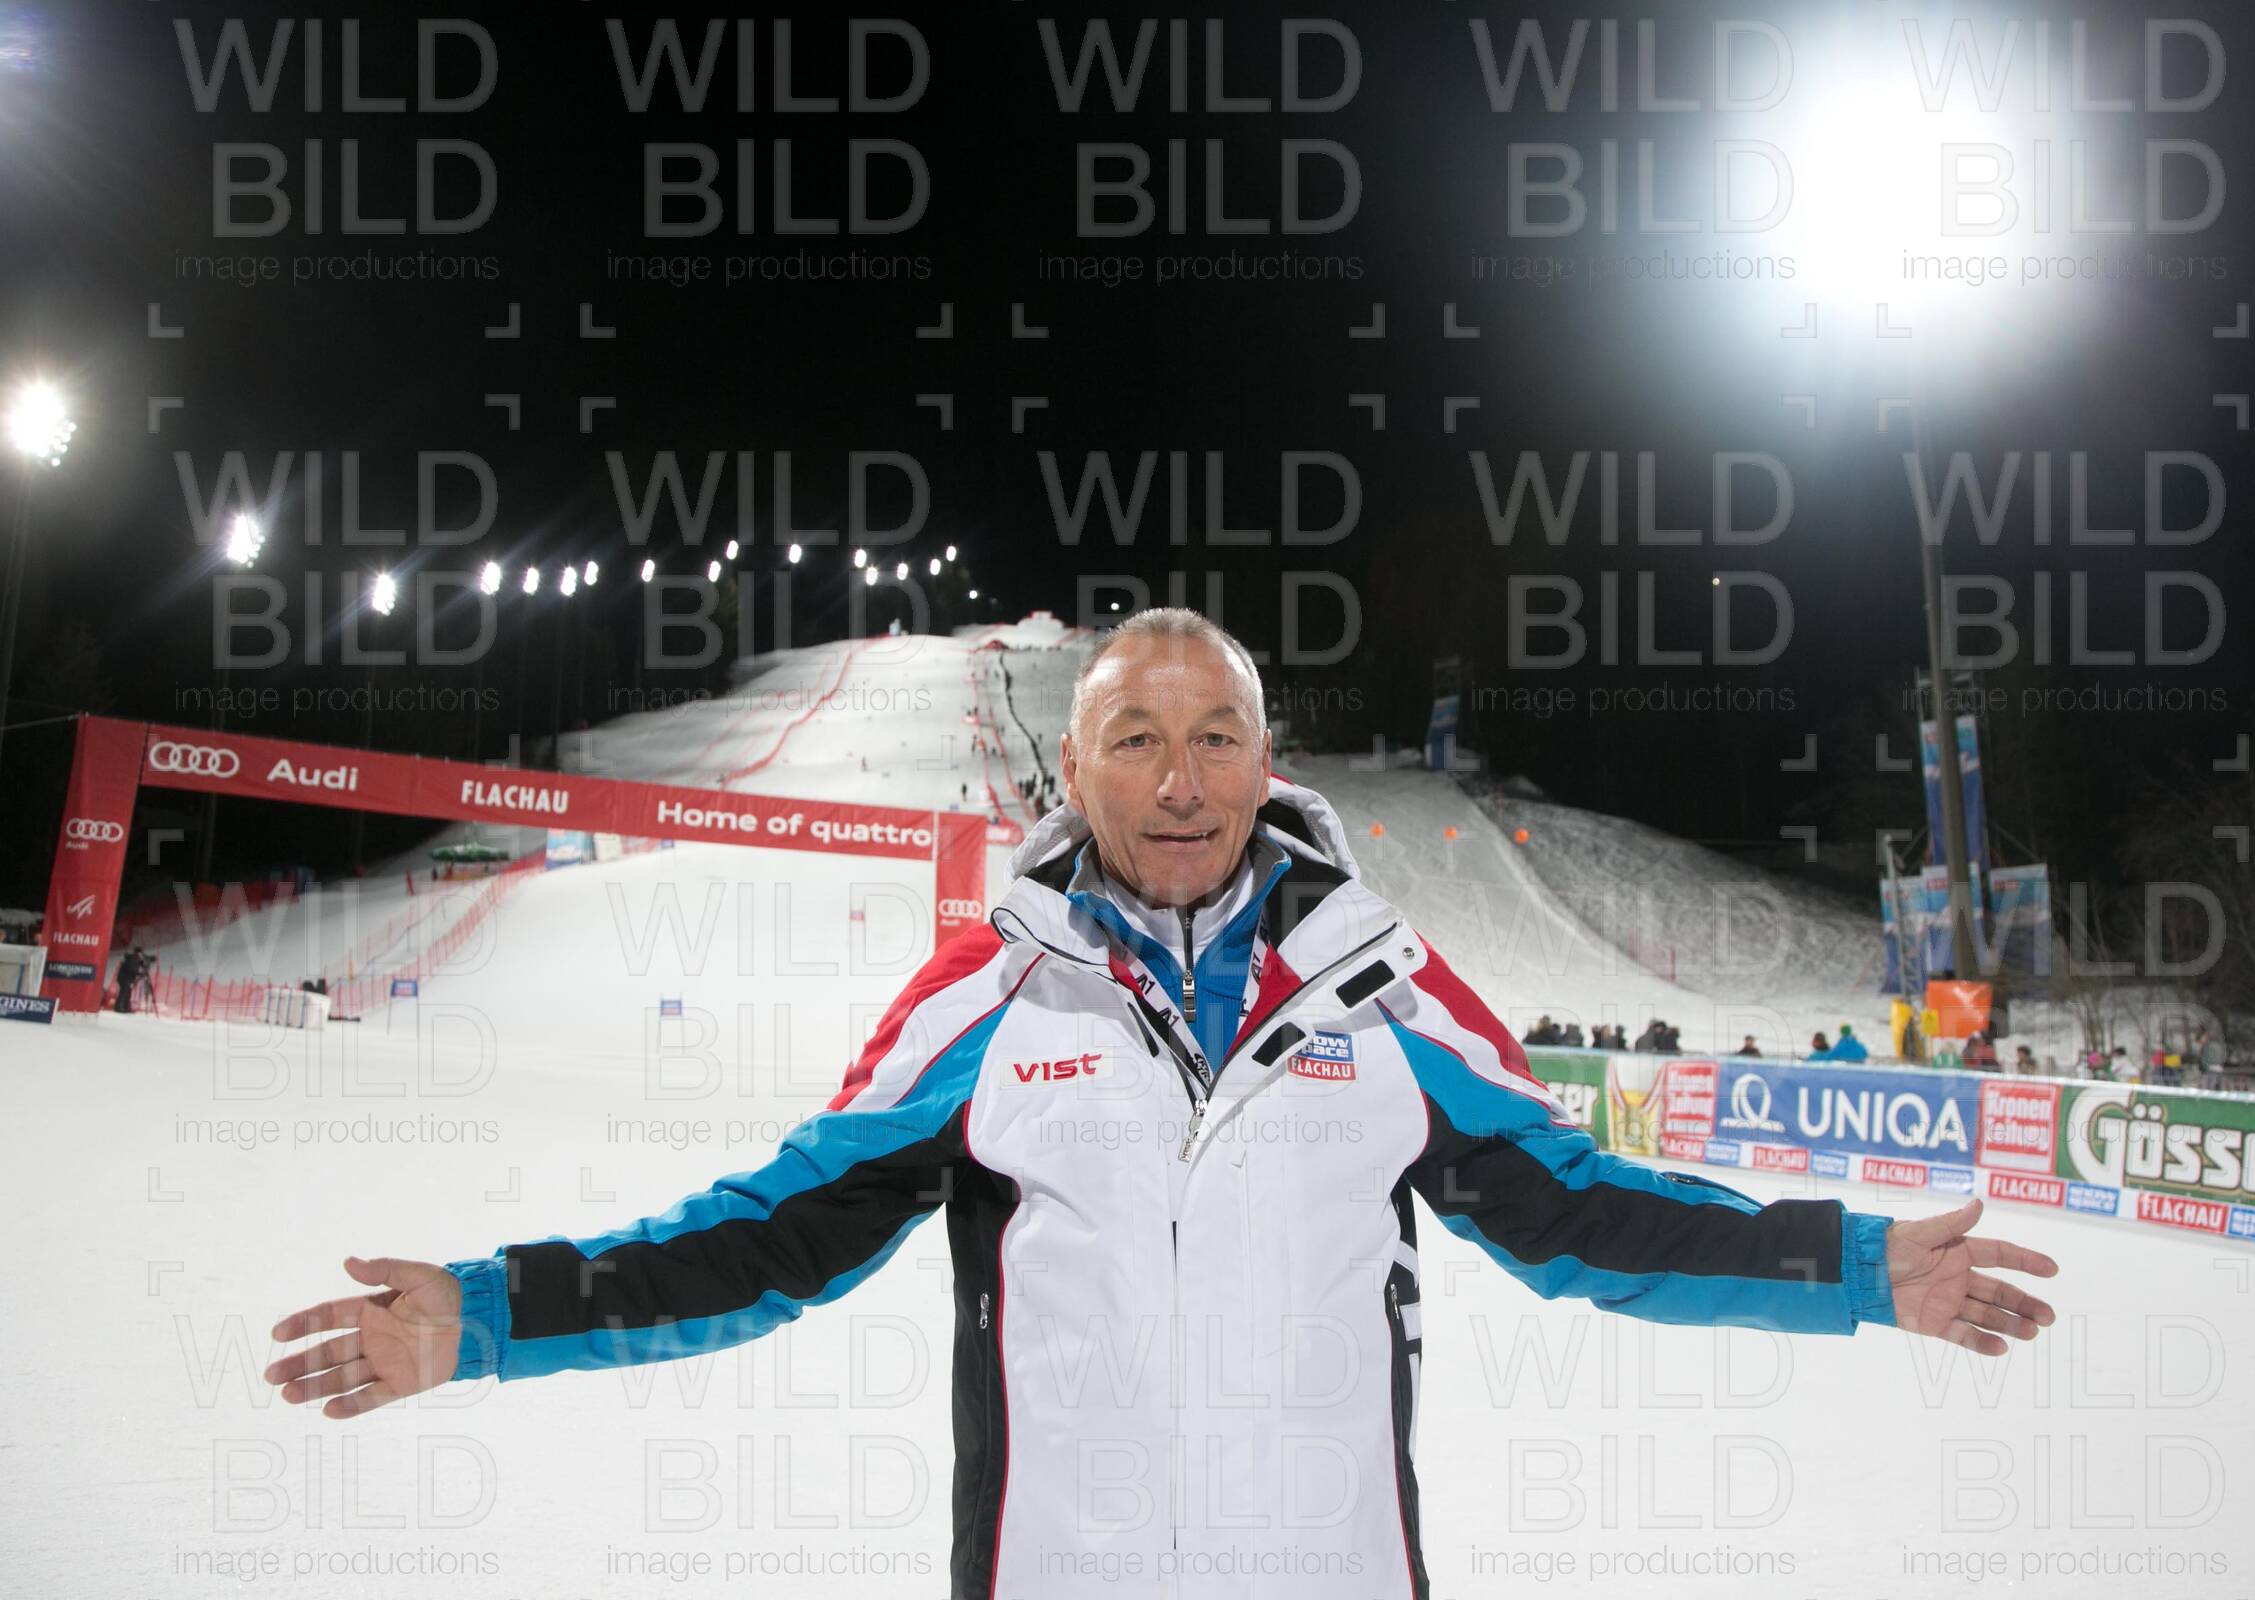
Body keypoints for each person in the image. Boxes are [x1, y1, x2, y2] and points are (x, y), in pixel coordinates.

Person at [261, 606, 2060, 1600]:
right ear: (1074, 767)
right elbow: (766, 1241)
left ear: (1270, 764)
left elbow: (1585, 1215)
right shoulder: (980, 1002)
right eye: (1136, 737)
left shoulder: (1387, 993)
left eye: (1214, 737)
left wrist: (1849, 1266)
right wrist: (492, 1315)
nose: (1180, 778)